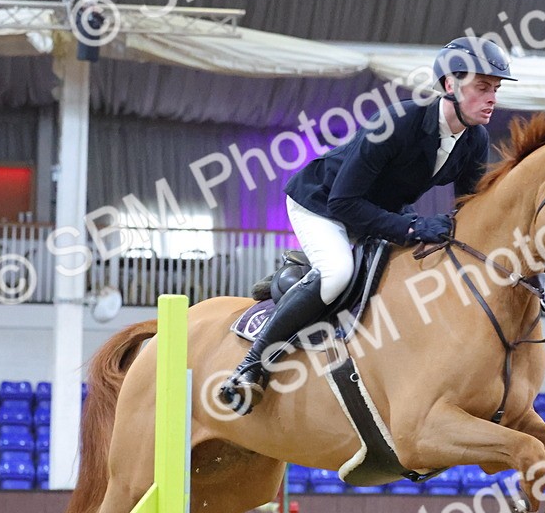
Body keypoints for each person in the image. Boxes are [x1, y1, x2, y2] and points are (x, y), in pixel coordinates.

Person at [218, 37, 517, 414]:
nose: (492, 99)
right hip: (322, 204)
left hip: (375, 211)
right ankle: (250, 367)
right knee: (338, 273)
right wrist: (411, 228)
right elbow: (343, 202)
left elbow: (470, 205)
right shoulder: (397, 122)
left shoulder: (474, 139)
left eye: (496, 90)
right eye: (482, 88)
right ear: (449, 86)